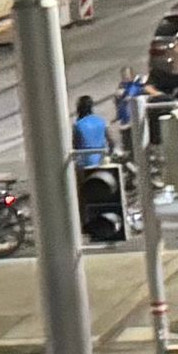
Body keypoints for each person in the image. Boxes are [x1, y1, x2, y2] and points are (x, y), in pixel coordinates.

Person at [72, 93, 121, 243]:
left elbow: (75, 146)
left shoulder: (78, 125)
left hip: (84, 164)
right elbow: (111, 142)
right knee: (103, 195)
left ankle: (86, 225)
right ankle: (104, 224)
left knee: (84, 198)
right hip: (101, 162)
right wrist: (109, 154)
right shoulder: (101, 122)